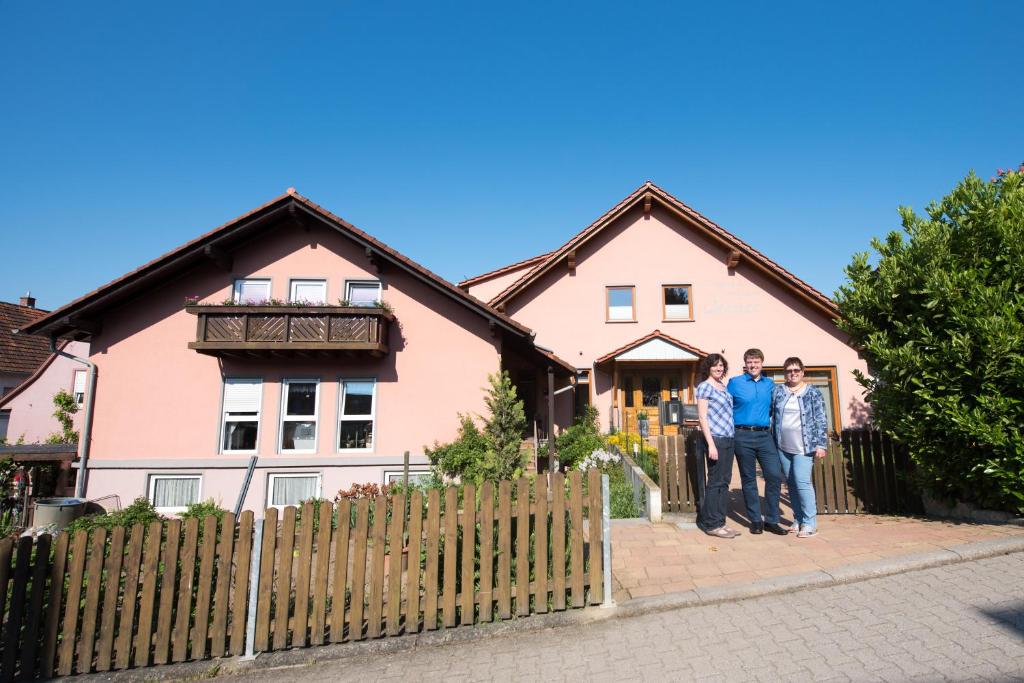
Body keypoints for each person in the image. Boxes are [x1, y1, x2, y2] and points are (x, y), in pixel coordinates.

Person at [727, 348, 787, 535]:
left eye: (756, 362)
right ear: (745, 364)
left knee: (774, 475)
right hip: (742, 435)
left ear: (762, 364)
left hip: (764, 436)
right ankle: (755, 520)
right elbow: (723, 405)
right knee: (749, 479)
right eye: (749, 362)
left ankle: (772, 520)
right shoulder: (735, 383)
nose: (753, 365)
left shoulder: (770, 385)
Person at [771, 357, 829, 538]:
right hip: (783, 446)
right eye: (789, 371)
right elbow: (773, 415)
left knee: (802, 482)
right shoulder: (779, 391)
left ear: (802, 372)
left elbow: (821, 419)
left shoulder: (813, 392)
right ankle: (798, 519)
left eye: (796, 370)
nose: (793, 373)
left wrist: (821, 444)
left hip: (805, 446)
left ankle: (810, 523)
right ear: (785, 373)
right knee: (791, 484)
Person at [695, 353, 738, 538]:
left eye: (721, 365)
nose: (719, 368)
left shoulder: (723, 387)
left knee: (725, 482)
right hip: (716, 439)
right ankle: (711, 524)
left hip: (729, 438)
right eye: (715, 366)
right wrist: (711, 444)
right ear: (708, 368)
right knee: (715, 482)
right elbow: (703, 417)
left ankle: (721, 521)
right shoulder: (705, 387)